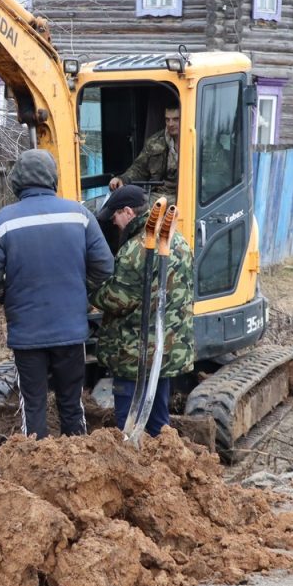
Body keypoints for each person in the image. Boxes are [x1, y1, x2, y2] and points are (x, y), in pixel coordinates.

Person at [0, 149, 114, 439]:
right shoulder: (80, 215)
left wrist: (8, 296)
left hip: (28, 334)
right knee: (72, 404)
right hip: (71, 330)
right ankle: (78, 463)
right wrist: (81, 295)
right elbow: (105, 266)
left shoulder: (4, 221)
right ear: (53, 178)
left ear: (17, 181)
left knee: (33, 405)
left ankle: (34, 467)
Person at [90, 185, 195, 437]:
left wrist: (91, 290)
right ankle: (162, 462)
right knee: (160, 423)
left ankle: (133, 469)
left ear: (127, 211)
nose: (115, 224)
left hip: (134, 355)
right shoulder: (177, 240)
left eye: (115, 217)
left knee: (128, 426)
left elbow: (118, 300)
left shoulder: (135, 250)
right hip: (167, 350)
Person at [108, 105, 181, 200]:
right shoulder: (154, 142)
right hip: (157, 195)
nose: (170, 124)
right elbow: (139, 169)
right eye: (167, 119)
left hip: (184, 196)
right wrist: (122, 179)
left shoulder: (196, 143)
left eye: (176, 119)